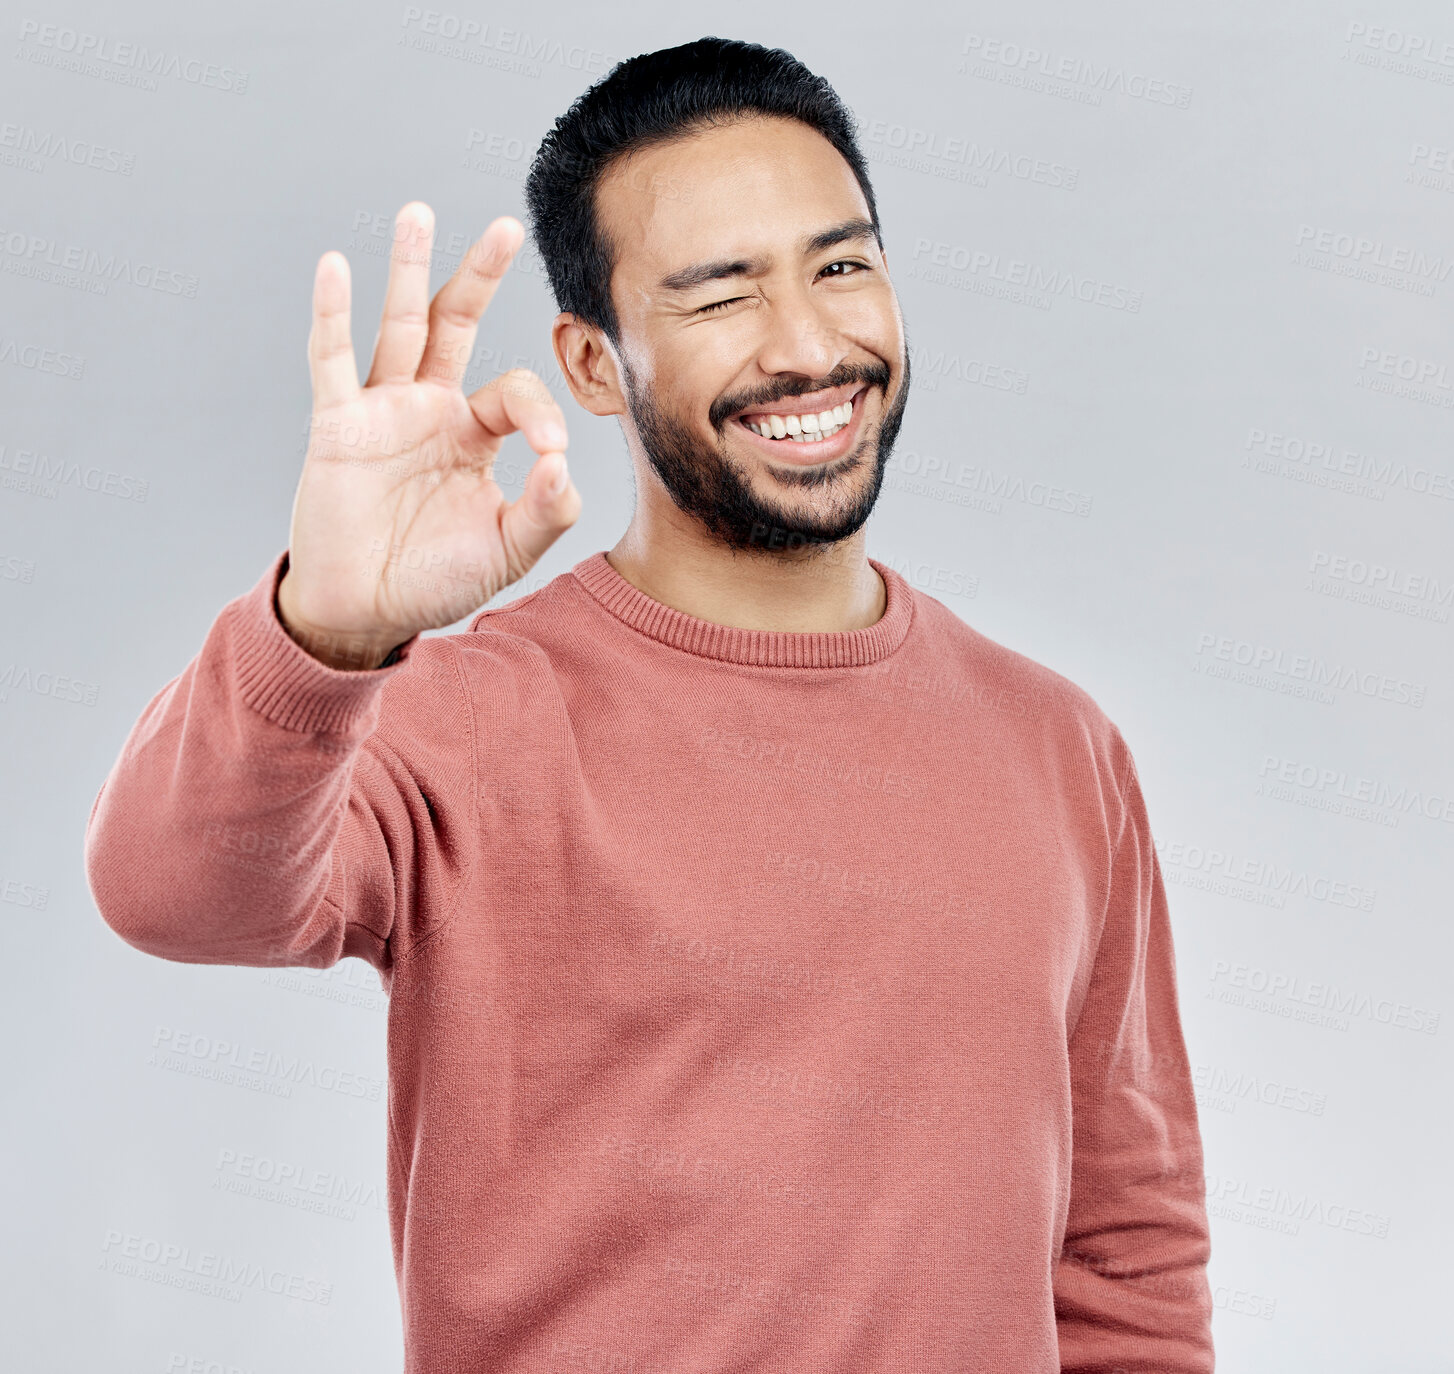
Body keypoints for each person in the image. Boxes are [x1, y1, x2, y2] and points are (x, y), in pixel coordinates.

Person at [84, 35, 1214, 1373]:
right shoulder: (453, 719)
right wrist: (323, 630)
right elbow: (171, 891)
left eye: (841, 264)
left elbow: (1122, 1250)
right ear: (589, 361)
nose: (809, 344)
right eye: (720, 293)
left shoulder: (1056, 742)